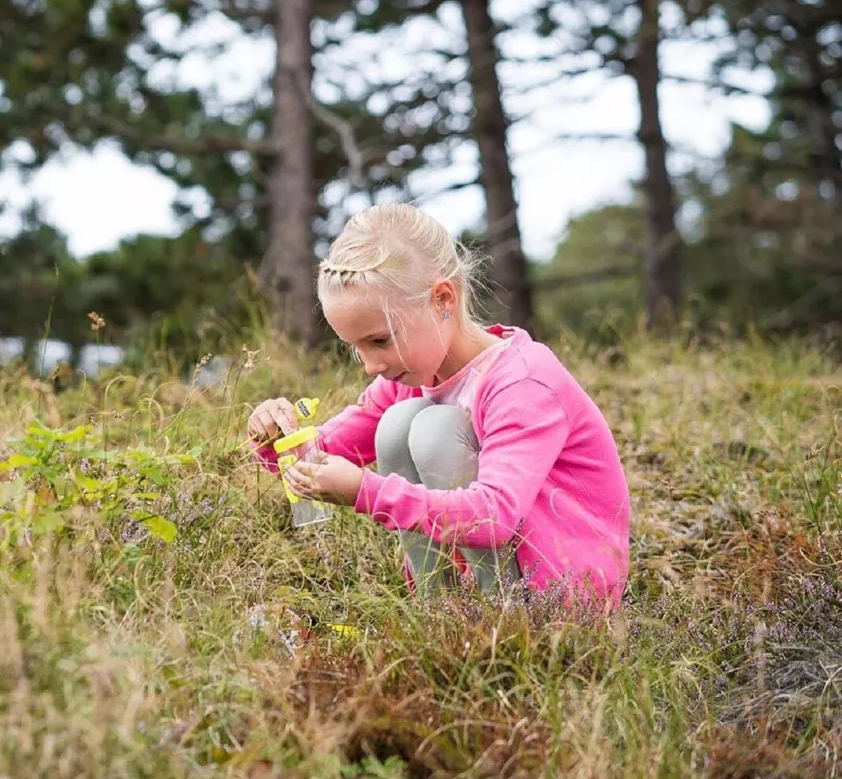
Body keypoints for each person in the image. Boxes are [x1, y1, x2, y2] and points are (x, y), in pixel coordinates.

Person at [247, 204, 630, 605]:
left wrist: (366, 491)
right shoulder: (409, 378)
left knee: (435, 431)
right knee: (398, 423)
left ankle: (505, 622)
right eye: (354, 348)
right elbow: (319, 457)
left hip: (563, 591)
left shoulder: (522, 381)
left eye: (380, 340)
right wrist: (277, 434)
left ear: (442, 298)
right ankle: (441, 615)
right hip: (486, 584)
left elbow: (494, 516)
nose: (370, 365)